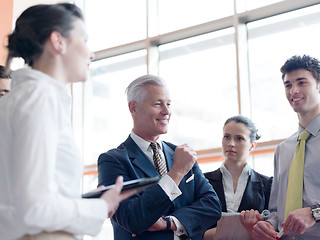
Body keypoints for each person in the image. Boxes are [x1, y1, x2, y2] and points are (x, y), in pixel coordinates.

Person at [0, 3, 135, 240]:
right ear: (58, 41)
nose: (90, 52)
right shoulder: (40, 97)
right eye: (83, 39)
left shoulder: (21, 98)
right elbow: (34, 207)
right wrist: (101, 207)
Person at [97, 74, 222, 240]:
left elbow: (213, 205)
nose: (167, 111)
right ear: (133, 108)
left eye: (168, 104)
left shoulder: (181, 154)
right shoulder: (113, 160)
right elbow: (132, 218)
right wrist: (176, 172)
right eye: (158, 104)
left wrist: (169, 222)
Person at [253, 55, 320, 240]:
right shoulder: (283, 149)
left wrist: (315, 213)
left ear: (318, 86)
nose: (294, 90)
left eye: (301, 82)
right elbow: (275, 210)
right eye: (288, 85)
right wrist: (267, 225)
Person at [203, 115, 273, 239]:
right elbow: (194, 228)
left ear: (252, 145)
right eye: (227, 137)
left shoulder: (268, 185)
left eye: (239, 138)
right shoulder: (203, 182)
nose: (231, 143)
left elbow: (271, 231)